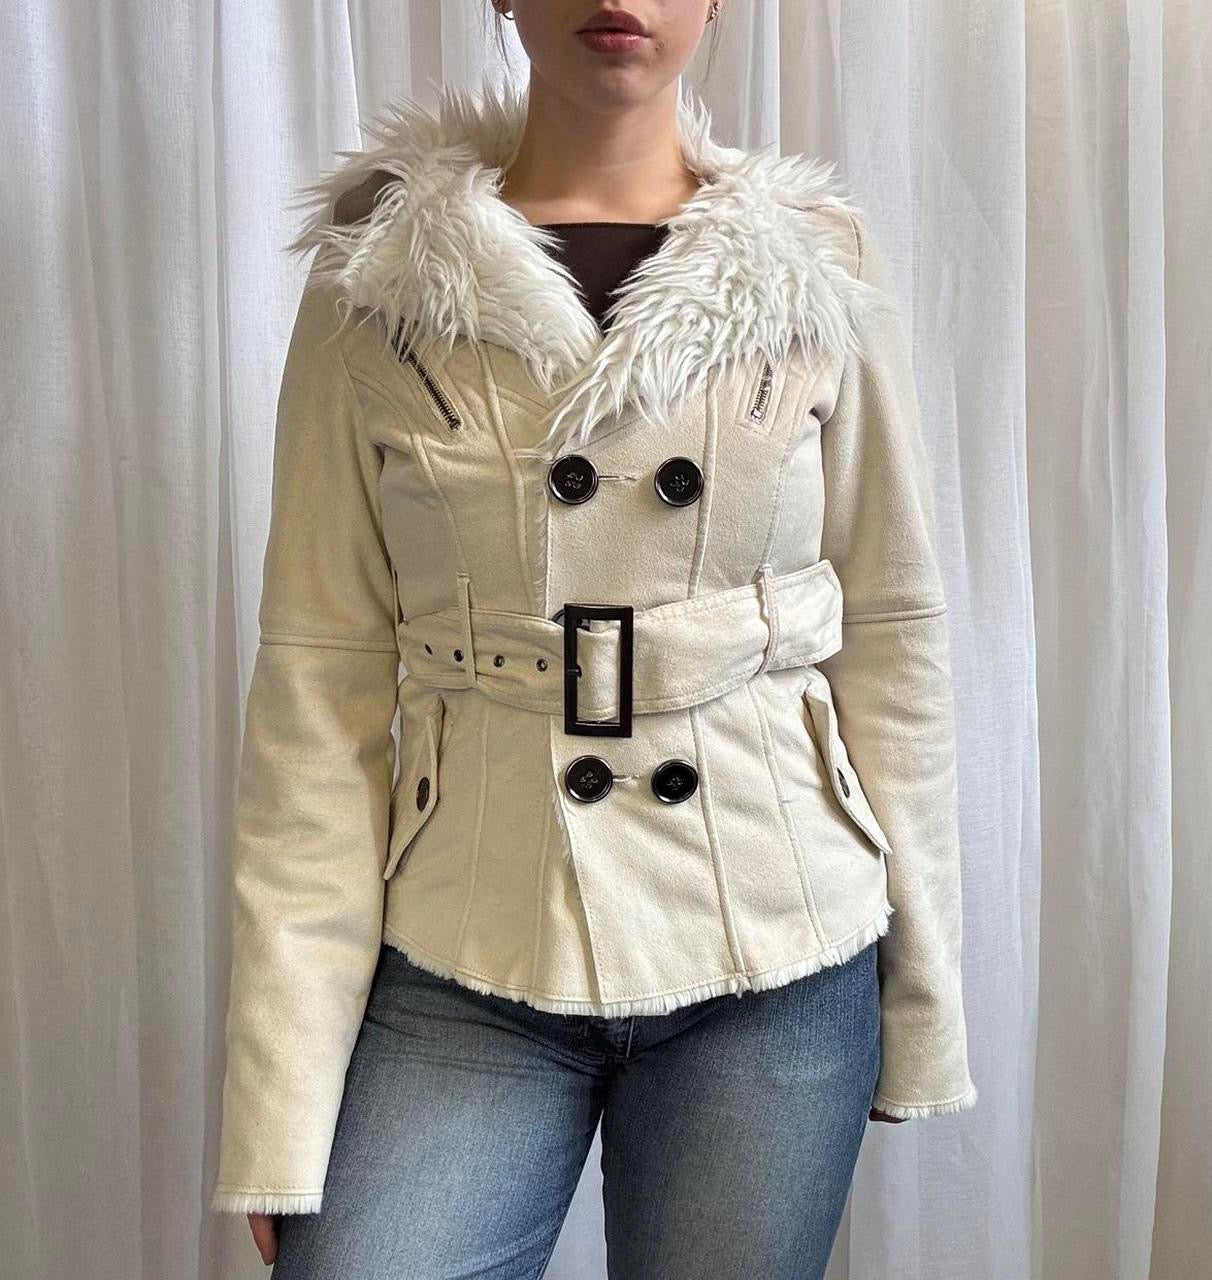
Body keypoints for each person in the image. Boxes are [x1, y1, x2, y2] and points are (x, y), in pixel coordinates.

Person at [210, 2, 977, 1275]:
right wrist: (282, 1105)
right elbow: (318, 678)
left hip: (773, 944)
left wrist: (923, 995)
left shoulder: (812, 259)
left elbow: (892, 629)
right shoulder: (378, 274)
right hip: (467, 946)